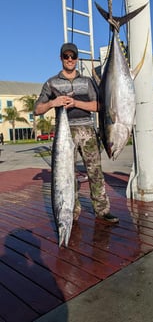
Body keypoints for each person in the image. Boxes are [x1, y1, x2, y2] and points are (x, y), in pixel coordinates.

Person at [34, 42, 119, 224]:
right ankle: (71, 211)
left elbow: (99, 106)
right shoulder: (51, 83)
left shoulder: (87, 82)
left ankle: (102, 210)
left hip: (87, 129)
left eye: (73, 57)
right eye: (66, 56)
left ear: (77, 59)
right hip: (65, 132)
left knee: (95, 170)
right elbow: (37, 109)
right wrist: (52, 103)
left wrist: (75, 103)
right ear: (61, 58)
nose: (70, 60)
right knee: (67, 174)